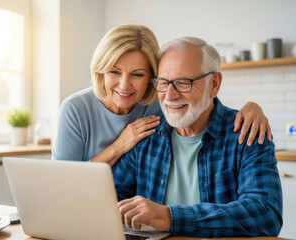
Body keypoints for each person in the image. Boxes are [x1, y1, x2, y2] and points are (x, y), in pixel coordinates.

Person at [112, 37, 282, 237]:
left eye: (184, 83)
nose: (170, 95)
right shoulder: (146, 135)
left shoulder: (247, 133)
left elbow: (265, 213)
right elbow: (108, 200)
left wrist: (170, 217)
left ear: (215, 84)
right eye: (164, 83)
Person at [52, 24, 271, 166]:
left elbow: (201, 107)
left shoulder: (159, 105)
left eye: (137, 74)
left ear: (151, 77)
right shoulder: (75, 110)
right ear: (100, 70)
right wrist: (120, 145)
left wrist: (252, 107)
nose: (124, 85)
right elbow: (64, 183)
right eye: (114, 72)